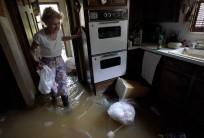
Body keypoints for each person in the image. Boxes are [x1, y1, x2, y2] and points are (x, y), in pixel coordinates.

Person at [30, 7, 80, 107]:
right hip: (47, 63)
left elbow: (63, 38)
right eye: (54, 24)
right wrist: (37, 61)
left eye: (58, 23)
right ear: (46, 22)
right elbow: (32, 50)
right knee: (51, 84)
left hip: (59, 60)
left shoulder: (59, 31)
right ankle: (54, 98)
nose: (57, 26)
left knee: (63, 81)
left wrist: (75, 36)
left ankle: (66, 104)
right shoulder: (39, 36)